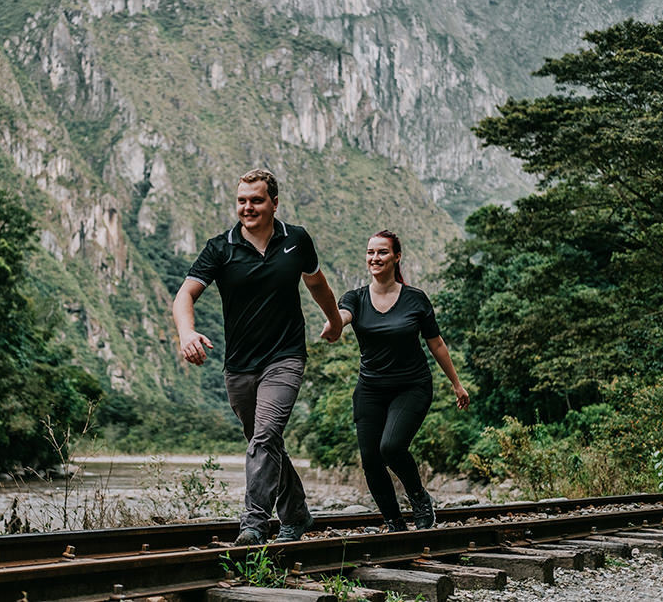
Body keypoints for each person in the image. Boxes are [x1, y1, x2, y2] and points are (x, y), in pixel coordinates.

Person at [173, 169, 343, 545]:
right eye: (241, 200)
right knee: (264, 441)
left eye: (256, 200)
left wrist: (334, 321)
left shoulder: (296, 240)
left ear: (274, 203)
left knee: (264, 436)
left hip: (285, 357)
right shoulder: (221, 248)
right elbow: (185, 295)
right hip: (239, 366)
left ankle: (253, 524)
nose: (247, 207)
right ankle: (297, 513)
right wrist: (187, 332)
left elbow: (317, 284)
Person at [327, 229, 469, 531]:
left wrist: (457, 384)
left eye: (382, 252)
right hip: (370, 389)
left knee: (390, 447)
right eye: (370, 252)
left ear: (396, 257)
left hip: (411, 386)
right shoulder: (355, 298)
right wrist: (333, 324)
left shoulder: (415, 299)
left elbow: (436, 344)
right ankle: (394, 524)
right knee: (370, 459)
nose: (374, 258)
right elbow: (342, 317)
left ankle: (418, 496)